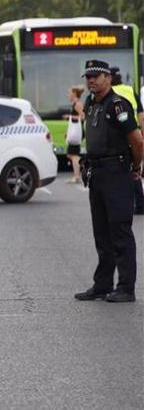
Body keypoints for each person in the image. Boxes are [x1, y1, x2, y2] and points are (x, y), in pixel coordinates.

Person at [75, 60, 144, 303]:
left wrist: (135, 167)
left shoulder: (117, 105)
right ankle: (102, 285)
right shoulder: (91, 104)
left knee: (120, 231)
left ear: (107, 77)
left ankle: (126, 288)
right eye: (88, 76)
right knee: (102, 234)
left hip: (116, 172)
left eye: (96, 76)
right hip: (98, 174)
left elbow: (138, 142)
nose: (91, 80)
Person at [110, 67, 144, 214]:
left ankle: (122, 203)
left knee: (117, 170)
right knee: (134, 169)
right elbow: (141, 115)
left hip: (117, 136)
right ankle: (140, 203)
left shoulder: (109, 93)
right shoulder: (130, 90)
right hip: (133, 132)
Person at [64, 86, 85, 183]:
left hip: (77, 132)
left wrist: (70, 116)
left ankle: (77, 176)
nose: (68, 95)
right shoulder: (75, 104)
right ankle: (77, 175)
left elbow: (83, 117)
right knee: (71, 154)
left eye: (69, 93)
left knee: (73, 155)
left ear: (74, 94)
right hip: (75, 132)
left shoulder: (78, 104)